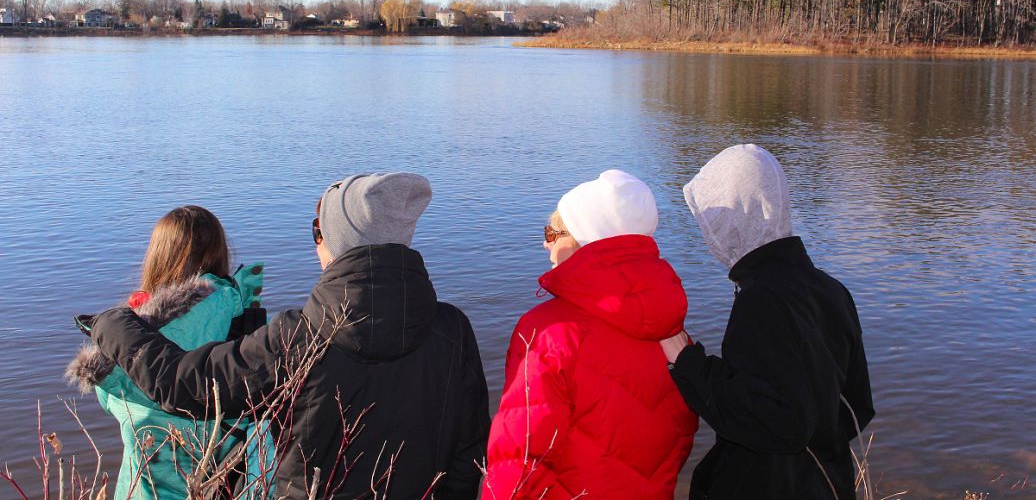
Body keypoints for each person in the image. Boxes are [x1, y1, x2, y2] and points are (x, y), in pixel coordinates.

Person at [83, 173, 490, 500]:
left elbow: (182, 385)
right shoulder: (452, 330)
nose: (316, 243)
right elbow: (468, 454)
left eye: (319, 231)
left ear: (335, 241)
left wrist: (115, 323)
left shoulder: (300, 338)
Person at [659, 144, 875, 500]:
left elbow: (777, 421)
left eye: (713, 218)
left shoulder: (762, 299)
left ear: (735, 217)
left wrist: (688, 363)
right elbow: (856, 409)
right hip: (829, 484)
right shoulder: (830, 289)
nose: (708, 233)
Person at [483, 170, 698, 500]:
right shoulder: (673, 330)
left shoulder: (548, 331)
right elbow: (681, 436)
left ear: (581, 240)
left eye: (553, 233)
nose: (545, 243)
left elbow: (518, 463)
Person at [67, 205, 271, 500]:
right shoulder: (245, 327)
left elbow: (112, 399)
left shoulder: (120, 342)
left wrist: (140, 316)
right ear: (220, 253)